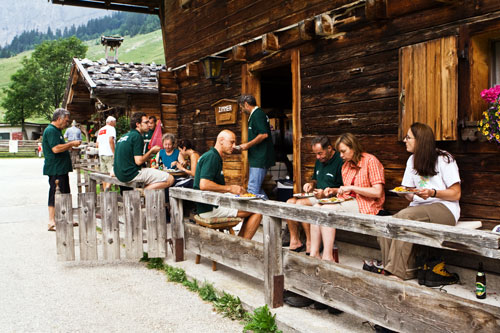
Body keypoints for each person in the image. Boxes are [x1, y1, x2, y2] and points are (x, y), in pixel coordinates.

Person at [378, 123, 461, 285]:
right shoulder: (412, 160)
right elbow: (410, 196)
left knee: (404, 217)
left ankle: (396, 273)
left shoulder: (444, 159)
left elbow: (456, 193)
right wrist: (407, 193)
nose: (404, 140)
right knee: (385, 225)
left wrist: (433, 193)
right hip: (419, 208)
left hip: (445, 208)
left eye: (408, 137)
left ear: (420, 140)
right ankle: (398, 269)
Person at [194, 130, 262, 240]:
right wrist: (230, 188)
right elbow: (204, 184)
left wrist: (234, 189)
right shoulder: (212, 157)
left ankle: (238, 242)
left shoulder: (212, 155)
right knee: (257, 211)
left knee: (249, 207)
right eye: (232, 142)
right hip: (210, 209)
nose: (234, 146)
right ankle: (241, 245)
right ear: (221, 140)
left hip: (208, 205)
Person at [285, 136, 343, 254]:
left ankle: (310, 241)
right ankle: (295, 240)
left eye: (320, 153)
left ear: (329, 148)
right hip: (317, 195)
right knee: (290, 202)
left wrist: (327, 192)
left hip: (331, 198)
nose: (318, 157)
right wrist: (310, 184)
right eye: (316, 154)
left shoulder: (340, 161)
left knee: (301, 203)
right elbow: (315, 179)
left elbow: (343, 187)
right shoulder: (319, 161)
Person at [43, 108, 81, 231]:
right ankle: (51, 221)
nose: (67, 123)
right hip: (55, 168)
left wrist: (69, 147)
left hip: (61, 168)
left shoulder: (57, 131)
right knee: (55, 193)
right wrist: (70, 144)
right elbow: (56, 149)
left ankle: (66, 218)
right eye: (66, 120)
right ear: (59, 119)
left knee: (65, 193)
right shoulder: (51, 131)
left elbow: (60, 147)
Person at [113, 112, 174, 190]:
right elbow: (139, 161)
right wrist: (151, 150)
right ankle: (142, 192)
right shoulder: (137, 136)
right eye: (146, 122)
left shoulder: (124, 136)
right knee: (170, 179)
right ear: (138, 124)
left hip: (120, 174)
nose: (148, 124)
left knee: (153, 175)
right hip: (131, 175)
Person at [235, 94, 276, 198]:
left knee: (252, 189)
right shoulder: (256, 114)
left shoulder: (257, 114)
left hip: (260, 157)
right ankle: (270, 212)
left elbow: (264, 134)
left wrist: (247, 145)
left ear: (246, 104)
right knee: (256, 190)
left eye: (241, 107)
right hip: (257, 157)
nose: (242, 110)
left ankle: (265, 213)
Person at [96, 116, 117, 191]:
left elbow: (97, 144)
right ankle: (108, 187)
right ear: (111, 122)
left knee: (104, 173)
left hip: (101, 153)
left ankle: (105, 190)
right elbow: (111, 140)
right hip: (109, 153)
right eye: (115, 122)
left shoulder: (101, 130)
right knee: (111, 172)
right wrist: (114, 152)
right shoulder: (111, 128)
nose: (115, 123)